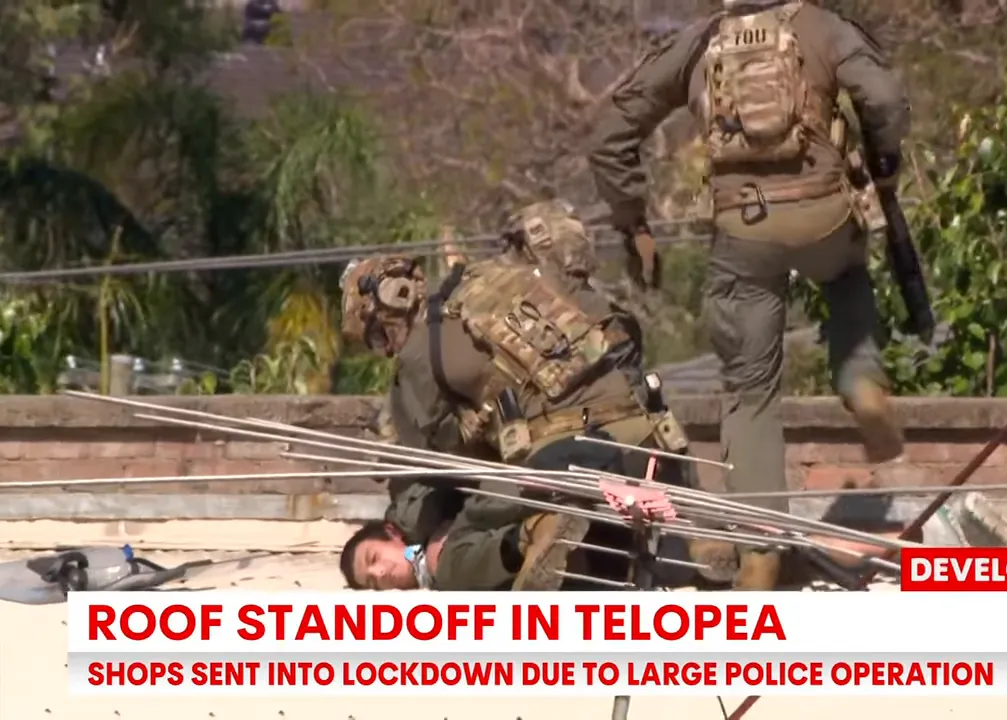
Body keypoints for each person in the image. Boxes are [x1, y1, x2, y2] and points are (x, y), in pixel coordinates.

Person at [587, 0, 913, 588]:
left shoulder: (697, 42)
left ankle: (760, 548)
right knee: (846, 278)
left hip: (743, 233)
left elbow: (612, 129)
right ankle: (861, 379)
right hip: (825, 216)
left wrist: (633, 222)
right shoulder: (821, 26)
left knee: (749, 393)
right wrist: (885, 162)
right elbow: (884, 98)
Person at [338, 237, 740, 591]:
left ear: (385, 313)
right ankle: (697, 538)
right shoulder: (509, 276)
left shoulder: (418, 355)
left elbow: (449, 462)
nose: (384, 348)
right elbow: (619, 328)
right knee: (634, 519)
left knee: (461, 543)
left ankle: (539, 533)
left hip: (567, 455)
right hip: (651, 431)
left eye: (376, 336)